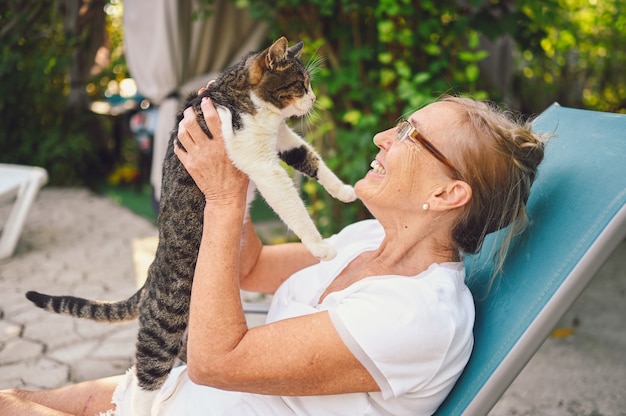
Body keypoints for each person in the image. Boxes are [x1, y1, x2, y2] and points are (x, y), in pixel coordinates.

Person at [0, 93, 546, 415]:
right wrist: (238, 169)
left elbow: (219, 362)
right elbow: (250, 269)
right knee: (14, 396)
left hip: (196, 394)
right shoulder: (364, 241)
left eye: (409, 134)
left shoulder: (416, 318)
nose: (383, 136)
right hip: (168, 394)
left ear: (447, 195)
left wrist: (223, 198)